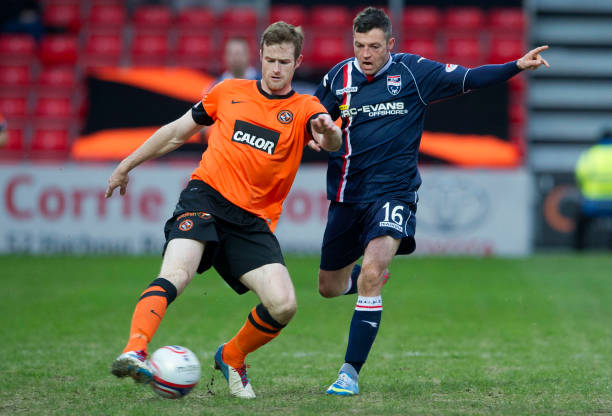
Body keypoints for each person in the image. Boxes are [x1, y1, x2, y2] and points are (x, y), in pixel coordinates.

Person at [310, 7, 549, 396]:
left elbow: (469, 78)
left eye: (374, 46)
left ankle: (348, 373)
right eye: (359, 45)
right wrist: (315, 133)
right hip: (347, 196)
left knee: (371, 273)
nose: (365, 54)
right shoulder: (338, 78)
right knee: (328, 287)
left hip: (395, 193)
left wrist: (516, 66)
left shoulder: (413, 73)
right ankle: (367, 277)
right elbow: (312, 117)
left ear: (390, 44)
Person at [106, 21, 341, 399]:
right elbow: (176, 132)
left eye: (284, 62)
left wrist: (328, 130)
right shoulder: (227, 92)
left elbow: (331, 140)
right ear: (259, 56)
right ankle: (135, 350)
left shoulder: (305, 108)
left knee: (283, 305)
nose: (275, 69)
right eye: (270, 59)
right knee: (176, 273)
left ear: (298, 62)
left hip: (252, 221)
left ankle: (231, 356)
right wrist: (125, 165)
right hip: (205, 199)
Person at [573, 128, 612, 250]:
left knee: (581, 223)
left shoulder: (590, 155)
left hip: (593, 203)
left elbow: (580, 175)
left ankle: (579, 249)